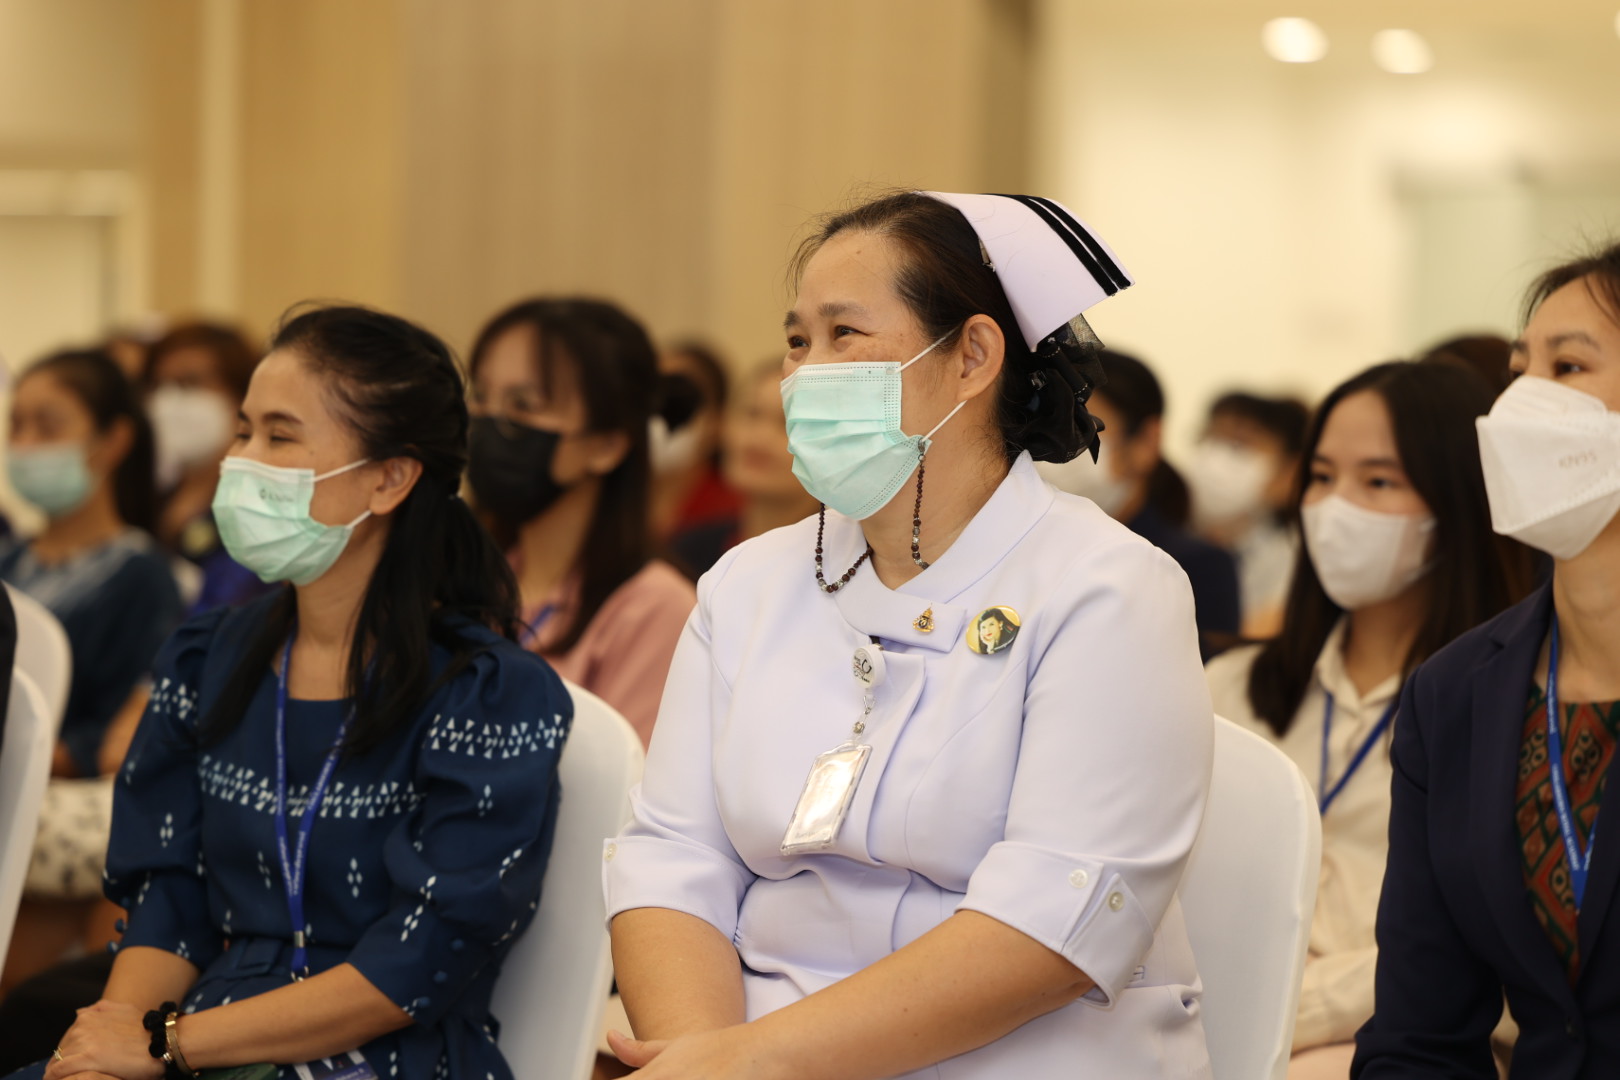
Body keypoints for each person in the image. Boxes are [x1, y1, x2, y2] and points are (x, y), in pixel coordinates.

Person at [603, 190, 1214, 1079]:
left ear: (972, 357)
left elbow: (1048, 926)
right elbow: (672, 858)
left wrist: (748, 1064)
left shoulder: (1110, 590)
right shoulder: (747, 584)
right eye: (797, 342)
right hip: (744, 1047)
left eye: (844, 335)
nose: (805, 375)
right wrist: (699, 1055)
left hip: (1020, 1058)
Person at [19, 304, 570, 1080]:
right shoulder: (206, 660)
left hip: (387, 1058)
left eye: (279, 437)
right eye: (244, 431)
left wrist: (166, 1044)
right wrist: (111, 1051)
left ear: (390, 477)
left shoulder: (487, 695)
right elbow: (169, 899)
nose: (241, 461)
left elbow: (415, 964)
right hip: (205, 1034)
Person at [1204, 360, 1536, 1078]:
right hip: (1211, 1017)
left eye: (1379, 482)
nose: (1335, 508)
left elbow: (1495, 951)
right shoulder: (1229, 689)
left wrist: (1290, 1005)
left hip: (1415, 1037)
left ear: (1458, 502)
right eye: (1321, 477)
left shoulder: (1499, 709)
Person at [1354, 245, 1620, 1076]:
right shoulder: (1456, 690)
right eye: (1518, 371)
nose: (1518, 406)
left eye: (1567, 367)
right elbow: (1418, 1032)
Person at [1, 349, 183, 990]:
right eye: (16, 424)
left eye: (48, 425)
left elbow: (122, 733)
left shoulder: (142, 574)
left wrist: (38, 753)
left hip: (48, 794)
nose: (26, 444)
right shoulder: (10, 561)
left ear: (112, 441)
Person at [465, 298, 695, 747]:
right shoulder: (466, 581)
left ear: (607, 445)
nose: (491, 423)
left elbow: (627, 781)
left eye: (523, 405)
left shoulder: (653, 608)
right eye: (481, 397)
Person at [1036, 350, 1240, 651]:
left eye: (1080, 426)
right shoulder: (1027, 551)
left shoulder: (1196, 567)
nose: (1057, 446)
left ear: (1147, 441)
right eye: (1045, 426)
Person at [142, 320, 269, 613]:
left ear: (241, 396)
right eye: (159, 385)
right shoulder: (146, 497)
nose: (169, 401)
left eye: (190, 383)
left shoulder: (260, 508)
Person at [667, 359, 821, 578]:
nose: (759, 438)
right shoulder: (689, 550)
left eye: (789, 423)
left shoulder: (843, 562)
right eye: (752, 413)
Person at [1187, 391, 1310, 637]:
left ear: (1289, 471)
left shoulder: (1297, 562)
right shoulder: (1163, 536)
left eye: (1239, 445)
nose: (1217, 458)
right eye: (1211, 438)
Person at [651, 340, 742, 543]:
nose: (658, 415)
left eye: (680, 402)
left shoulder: (732, 512)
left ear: (718, 421)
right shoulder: (608, 498)